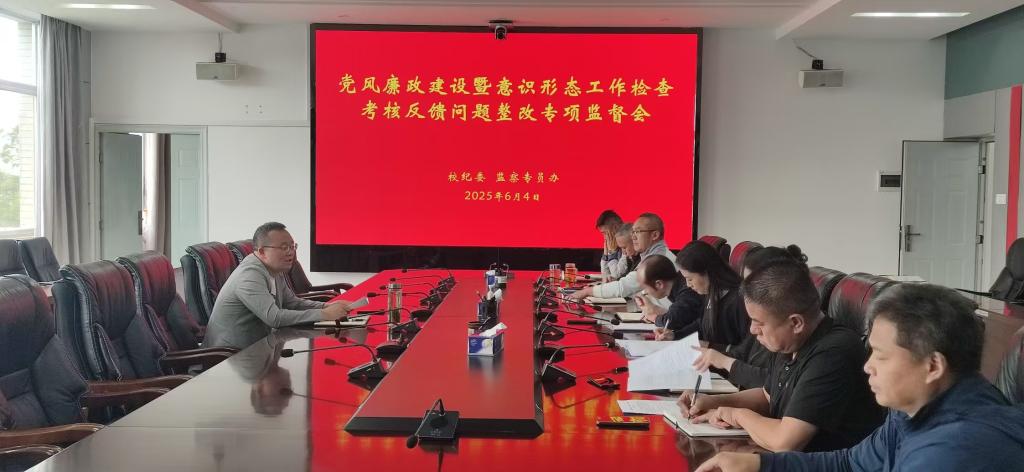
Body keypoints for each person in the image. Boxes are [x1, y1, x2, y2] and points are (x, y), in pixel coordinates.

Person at [696, 283, 1024, 471]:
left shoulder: (955, 450)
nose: (868, 366)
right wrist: (759, 466)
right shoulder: (915, 407)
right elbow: (850, 464)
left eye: (881, 355)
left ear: (932, 366)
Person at [681, 259, 884, 453]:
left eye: (759, 323)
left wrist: (737, 415)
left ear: (795, 323)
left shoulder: (833, 353)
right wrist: (713, 402)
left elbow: (785, 441)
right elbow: (768, 397)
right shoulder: (791, 342)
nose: (752, 330)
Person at [204, 222, 352, 349]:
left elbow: (292, 303)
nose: (291, 252)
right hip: (229, 358)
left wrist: (326, 306)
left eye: (292, 246)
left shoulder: (274, 268)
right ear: (262, 252)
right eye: (284, 247)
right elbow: (274, 318)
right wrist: (324, 315)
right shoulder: (249, 276)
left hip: (258, 348)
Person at [693, 245, 806, 390]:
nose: (745, 291)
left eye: (750, 285)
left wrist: (725, 361)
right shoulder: (762, 319)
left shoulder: (783, 330)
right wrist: (709, 358)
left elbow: (771, 383)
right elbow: (741, 353)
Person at [659, 241, 748, 348]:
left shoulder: (739, 302)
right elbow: (702, 324)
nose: (688, 285)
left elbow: (747, 352)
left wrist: (710, 346)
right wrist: (675, 335)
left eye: (690, 279)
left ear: (707, 273)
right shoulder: (713, 292)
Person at [569, 212, 675, 302]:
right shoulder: (654, 255)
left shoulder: (658, 259)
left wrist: (587, 291)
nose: (633, 237)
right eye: (633, 232)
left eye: (638, 231)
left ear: (654, 235)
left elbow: (623, 287)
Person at [635, 254, 704, 337]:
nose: (645, 292)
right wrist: (653, 310)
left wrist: (653, 317)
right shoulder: (680, 285)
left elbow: (672, 320)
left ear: (659, 284)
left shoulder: (687, 290)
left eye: (645, 288)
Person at [596, 210, 624, 282]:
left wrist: (612, 253)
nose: (605, 237)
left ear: (615, 228)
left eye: (605, 233)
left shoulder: (628, 246)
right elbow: (605, 276)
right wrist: (606, 255)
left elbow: (616, 277)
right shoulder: (614, 245)